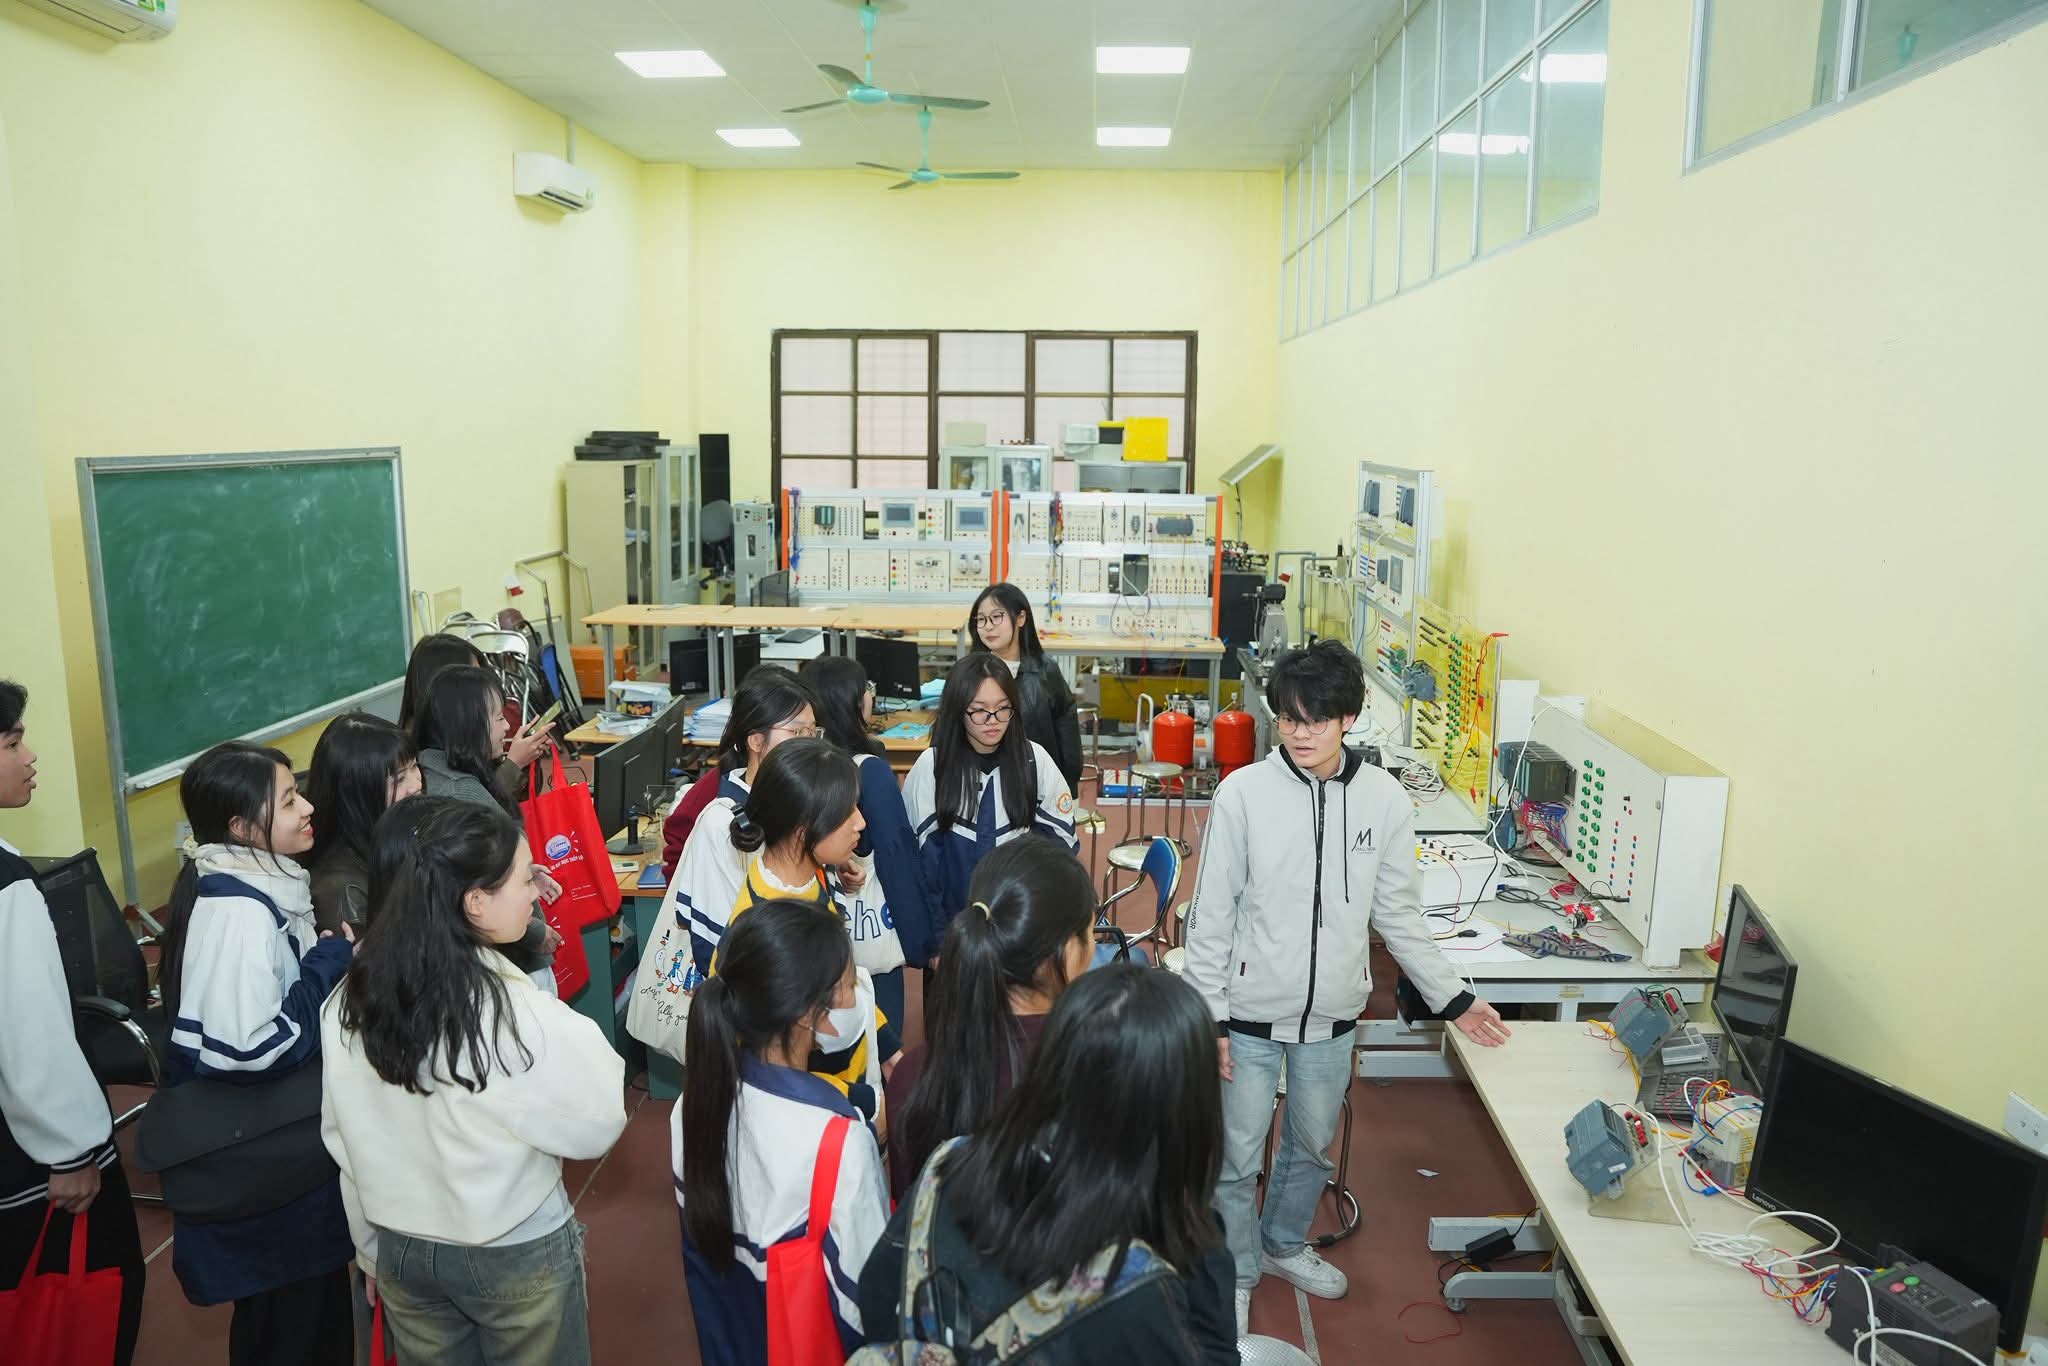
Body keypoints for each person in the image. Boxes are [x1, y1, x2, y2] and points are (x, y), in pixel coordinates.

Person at [1180, 640, 1512, 1335]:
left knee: (1311, 1149)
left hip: (1333, 1016)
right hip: (1248, 1014)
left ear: (1349, 719)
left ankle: (1282, 1245)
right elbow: (1211, 914)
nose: (1300, 734)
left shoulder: (1384, 799)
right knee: (1235, 1159)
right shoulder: (1243, 794)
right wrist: (1210, 1016)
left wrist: (1453, 998)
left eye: (1317, 720)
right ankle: (1236, 1270)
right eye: (1288, 719)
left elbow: (1398, 913)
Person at [321, 800, 627, 1366]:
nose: (535, 893)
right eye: (523, 879)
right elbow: (598, 1120)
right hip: (512, 1245)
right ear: (476, 902)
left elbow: (344, 1140)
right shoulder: (509, 1009)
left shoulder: (348, 1000)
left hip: (403, 1245)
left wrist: (370, 1251)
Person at [857, 966, 1236, 1365]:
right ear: (1187, 1109)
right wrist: (1203, 1239)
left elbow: (877, 1294)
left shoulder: (949, 1165)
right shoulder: (1146, 1286)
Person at [156, 741, 358, 1363]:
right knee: (291, 1327)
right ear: (242, 829)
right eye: (289, 800)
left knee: (307, 1315)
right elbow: (250, 1049)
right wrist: (328, 963)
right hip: (268, 1162)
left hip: (277, 1154)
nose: (308, 807)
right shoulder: (239, 911)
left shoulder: (258, 884)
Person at [675, 902, 890, 1366]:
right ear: (809, 1014)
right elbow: (867, 1305)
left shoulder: (692, 1104)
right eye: (848, 985)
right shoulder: (837, 1142)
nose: (855, 997)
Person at [0, 679, 145, 1365]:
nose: (29, 756)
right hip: (25, 1159)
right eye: (11, 743)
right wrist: (70, 1152)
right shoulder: (7, 887)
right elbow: (28, 1034)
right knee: (85, 1303)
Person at [886, 837, 1096, 1192]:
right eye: (1091, 932)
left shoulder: (913, 1076)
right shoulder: (1098, 1074)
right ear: (1067, 951)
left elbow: (912, 1207)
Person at [723, 738, 899, 1122]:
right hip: (826, 1113)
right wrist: (865, 1105)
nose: (861, 822)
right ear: (804, 831)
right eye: (846, 812)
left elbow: (845, 984)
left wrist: (887, 1049)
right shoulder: (772, 929)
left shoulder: (807, 878)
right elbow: (783, 1071)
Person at [902, 653, 1077, 952]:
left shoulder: (1035, 761)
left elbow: (1060, 852)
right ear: (957, 710)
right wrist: (938, 940)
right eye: (979, 711)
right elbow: (922, 866)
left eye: (1002, 708)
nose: (993, 721)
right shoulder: (932, 767)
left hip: (1020, 931)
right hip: (954, 935)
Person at [659, 666, 818, 991]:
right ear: (756, 740)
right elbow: (717, 947)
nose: (809, 744)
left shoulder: (799, 797)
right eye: (796, 732)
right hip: (755, 989)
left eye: (813, 732)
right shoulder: (723, 822)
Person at [411, 666, 562, 992]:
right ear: (468, 724)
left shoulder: (437, 769)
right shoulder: (460, 792)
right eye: (498, 718)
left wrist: (523, 873)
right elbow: (468, 892)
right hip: (510, 961)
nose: (507, 727)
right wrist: (533, 931)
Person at [798, 654, 931, 1026]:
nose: (870, 694)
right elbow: (896, 858)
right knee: (876, 1041)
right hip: (867, 946)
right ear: (851, 701)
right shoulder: (868, 772)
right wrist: (921, 943)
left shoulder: (803, 766)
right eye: (866, 688)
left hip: (813, 938)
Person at [305, 712, 421, 933]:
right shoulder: (344, 892)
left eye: (415, 767)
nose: (416, 785)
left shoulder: (397, 828)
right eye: (399, 779)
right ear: (358, 792)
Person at [965, 583, 1082, 792]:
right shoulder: (968, 674)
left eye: (996, 617)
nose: (988, 626)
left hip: (1036, 782)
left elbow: (1067, 727)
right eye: (981, 619)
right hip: (982, 785)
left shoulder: (1045, 671)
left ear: (1020, 618)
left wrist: (1068, 784)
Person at [398, 634, 550, 794]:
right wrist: (514, 764)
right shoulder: (420, 761)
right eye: (473, 675)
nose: (483, 682)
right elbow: (478, 802)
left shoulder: (464, 735)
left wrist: (524, 758)